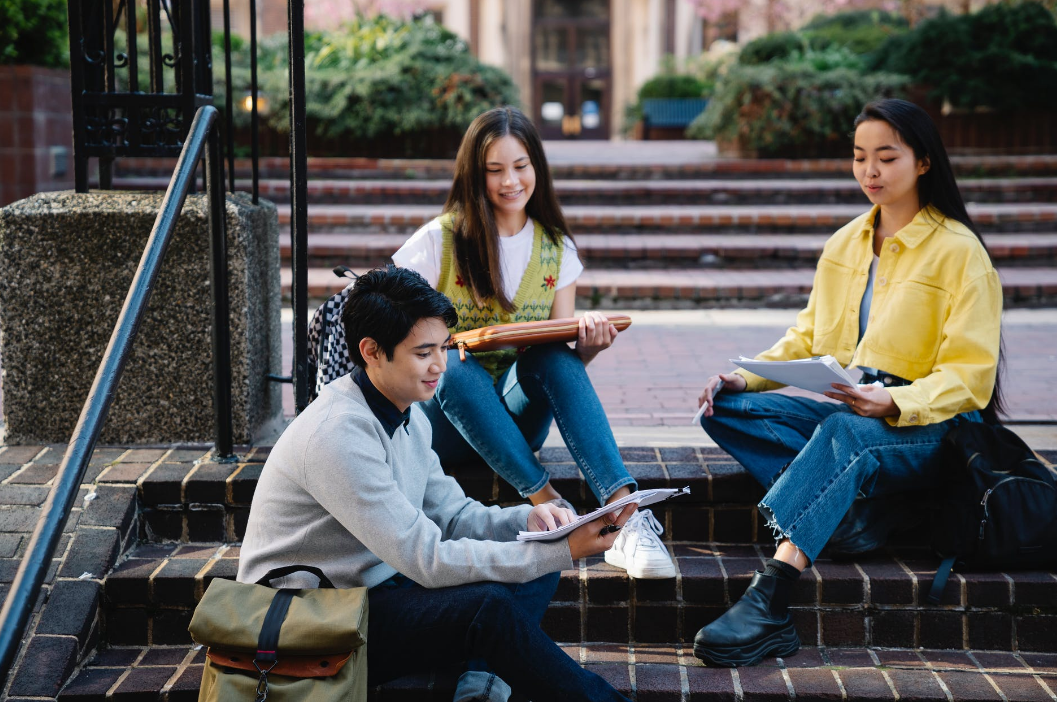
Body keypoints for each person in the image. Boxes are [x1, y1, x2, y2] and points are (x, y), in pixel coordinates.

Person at [691, 99, 1003, 667]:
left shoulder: (960, 253)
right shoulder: (846, 244)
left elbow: (971, 377)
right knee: (725, 411)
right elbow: (808, 336)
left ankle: (772, 598)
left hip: (933, 425)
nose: (870, 172)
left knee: (843, 432)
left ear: (924, 162)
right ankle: (850, 519)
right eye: (860, 157)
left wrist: (895, 400)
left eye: (887, 157)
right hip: (860, 405)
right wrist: (742, 376)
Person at [238, 265, 637, 702]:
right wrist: (566, 549)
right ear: (371, 351)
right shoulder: (337, 433)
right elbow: (426, 558)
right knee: (492, 606)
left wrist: (534, 520)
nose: (440, 366)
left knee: (535, 558)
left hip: (376, 587)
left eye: (443, 347)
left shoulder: (405, 412)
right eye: (423, 352)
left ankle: (482, 685)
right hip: (311, 622)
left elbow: (454, 515)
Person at [392, 105, 675, 579]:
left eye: (521, 166)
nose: (510, 181)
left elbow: (555, 353)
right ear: (473, 174)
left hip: (516, 425)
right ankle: (553, 508)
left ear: (537, 168)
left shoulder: (556, 246)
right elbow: (395, 335)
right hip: (442, 424)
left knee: (553, 356)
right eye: (495, 170)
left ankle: (626, 517)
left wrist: (590, 347)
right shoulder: (437, 242)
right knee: (452, 365)